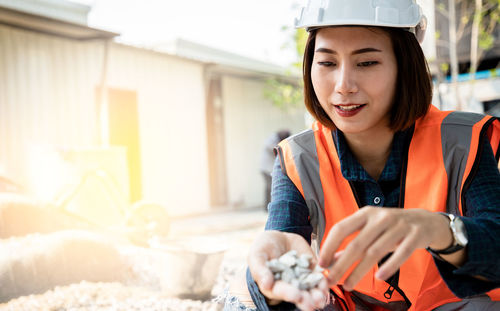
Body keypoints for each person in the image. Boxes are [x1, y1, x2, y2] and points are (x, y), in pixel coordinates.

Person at [240, 0, 500, 310]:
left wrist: (442, 230)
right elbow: (284, 245)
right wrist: (271, 280)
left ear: (404, 67)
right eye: (327, 63)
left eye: (366, 63)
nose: (343, 85)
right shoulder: (299, 157)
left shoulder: (461, 141)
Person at [260, 129, 291, 210]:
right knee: (270, 188)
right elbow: (274, 149)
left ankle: (268, 207)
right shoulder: (272, 139)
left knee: (269, 188)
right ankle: (270, 208)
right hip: (266, 169)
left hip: (268, 168)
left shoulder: (275, 139)